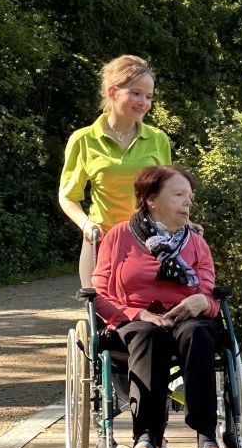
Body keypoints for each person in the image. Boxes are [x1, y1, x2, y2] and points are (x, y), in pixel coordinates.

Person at [92, 164, 242, 448]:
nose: (188, 202)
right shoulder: (119, 237)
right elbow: (100, 294)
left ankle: (208, 443)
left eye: (190, 196)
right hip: (134, 322)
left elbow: (209, 295)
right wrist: (136, 314)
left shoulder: (197, 244)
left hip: (186, 320)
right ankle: (145, 442)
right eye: (178, 195)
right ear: (151, 200)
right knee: (148, 334)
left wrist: (204, 302)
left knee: (198, 330)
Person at [58, 55, 172, 289]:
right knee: (99, 311)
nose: (144, 102)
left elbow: (169, 194)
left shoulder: (158, 139)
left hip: (150, 241)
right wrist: (86, 225)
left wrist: (185, 223)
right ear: (112, 92)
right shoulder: (83, 139)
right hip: (101, 242)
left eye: (148, 96)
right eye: (136, 93)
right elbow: (68, 196)